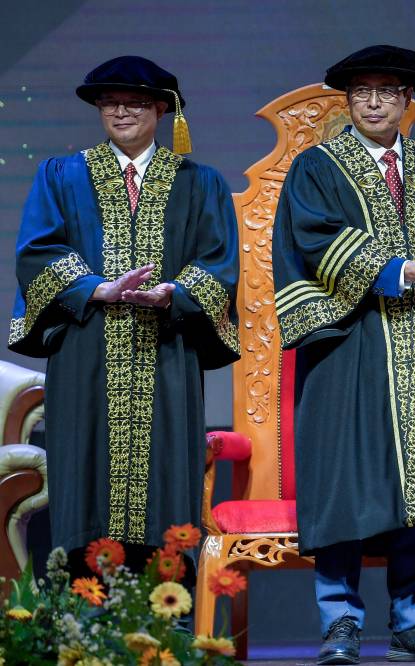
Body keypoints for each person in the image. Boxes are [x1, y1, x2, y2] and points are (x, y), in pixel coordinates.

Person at [271, 44, 415, 665]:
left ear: (409, 101)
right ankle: (341, 621)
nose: (374, 102)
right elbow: (313, 238)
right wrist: (399, 268)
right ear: (348, 101)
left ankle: (414, 621)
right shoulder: (316, 166)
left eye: (388, 91)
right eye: (362, 91)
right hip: (348, 348)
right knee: (345, 483)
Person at [9, 55, 239, 577]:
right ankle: (86, 618)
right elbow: (36, 251)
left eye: (134, 101)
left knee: (165, 484)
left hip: (166, 351)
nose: (121, 111)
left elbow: (220, 261)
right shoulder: (62, 175)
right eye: (110, 102)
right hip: (86, 347)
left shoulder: (199, 183)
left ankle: (167, 619)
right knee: (85, 479)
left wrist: (174, 293)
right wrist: (97, 289)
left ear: (162, 108)